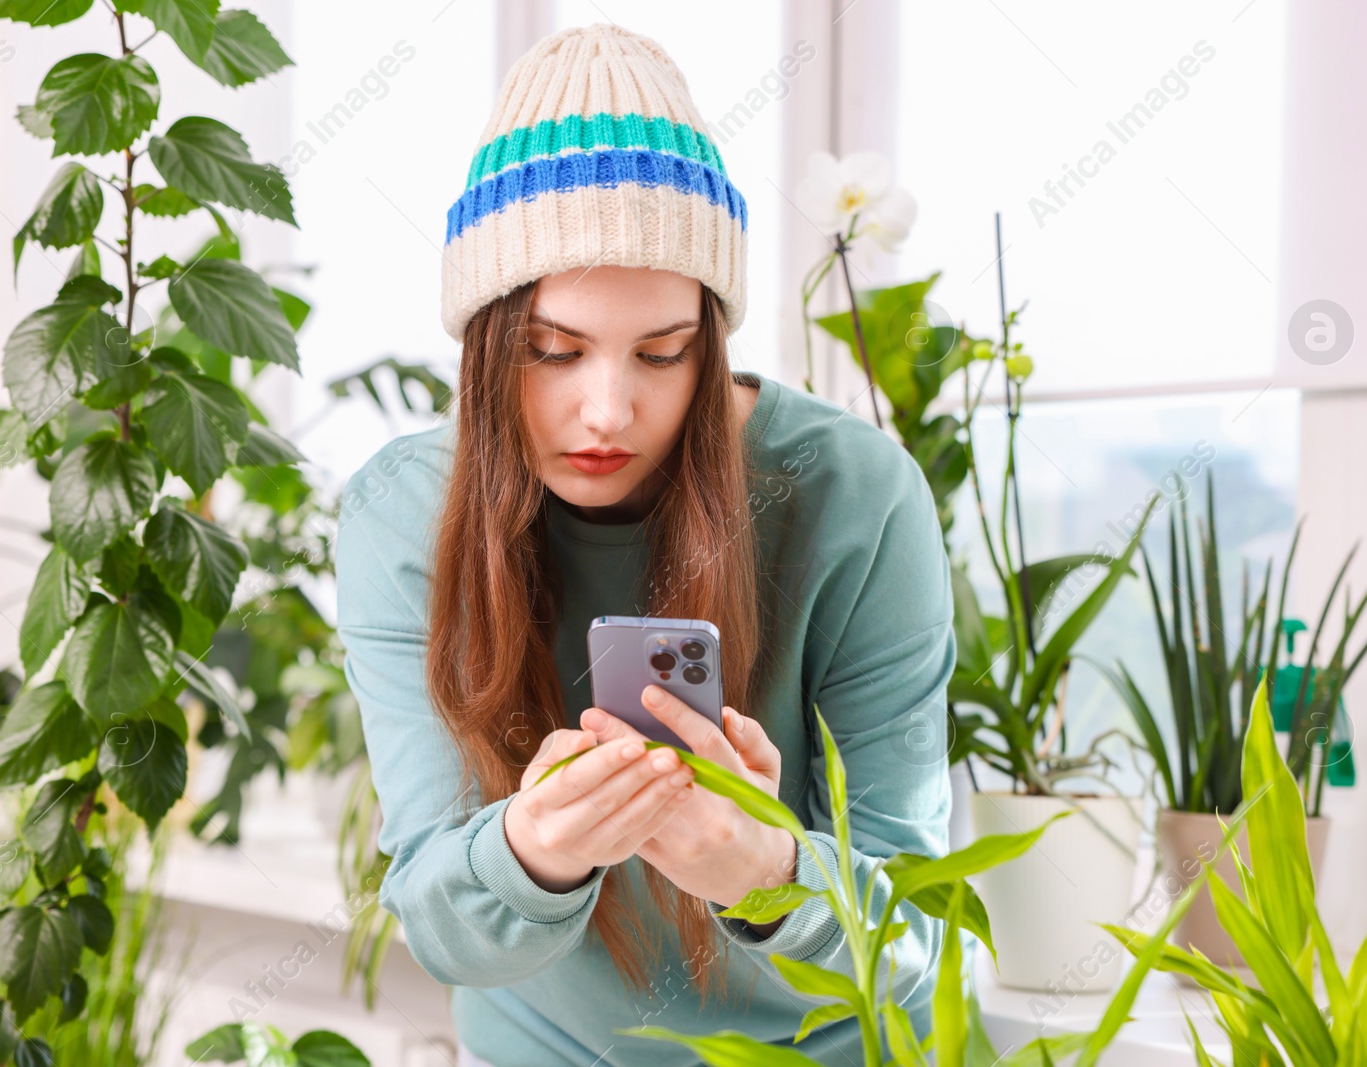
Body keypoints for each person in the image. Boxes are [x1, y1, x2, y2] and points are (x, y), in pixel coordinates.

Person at [335, 22, 957, 1067]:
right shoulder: (406, 512)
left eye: (662, 354)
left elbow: (915, 940)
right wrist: (535, 850)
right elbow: (436, 921)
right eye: (551, 351)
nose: (607, 410)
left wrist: (762, 870)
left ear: (710, 345)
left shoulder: (859, 497)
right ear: (488, 345)